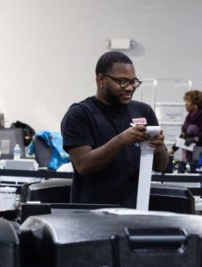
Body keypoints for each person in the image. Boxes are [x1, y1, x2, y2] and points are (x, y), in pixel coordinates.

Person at [61, 51, 168, 208]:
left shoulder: (143, 111)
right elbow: (83, 165)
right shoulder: (80, 113)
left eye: (134, 82)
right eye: (122, 81)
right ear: (101, 80)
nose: (130, 88)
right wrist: (121, 140)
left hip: (136, 210)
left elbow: (161, 166)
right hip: (91, 214)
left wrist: (158, 148)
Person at [176, 90, 202, 171]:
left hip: (199, 153)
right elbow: (184, 134)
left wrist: (195, 139)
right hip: (187, 153)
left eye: (188, 101)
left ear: (195, 103)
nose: (185, 104)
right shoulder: (189, 116)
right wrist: (172, 149)